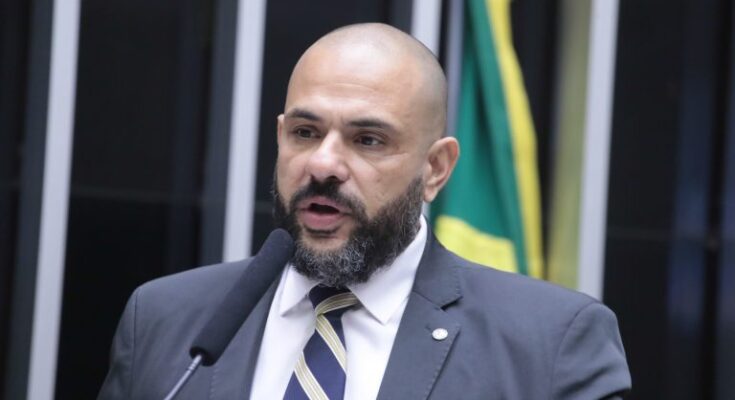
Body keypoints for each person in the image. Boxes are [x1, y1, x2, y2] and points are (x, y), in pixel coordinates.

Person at [98, 23, 631, 399]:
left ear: (436, 168)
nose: (323, 164)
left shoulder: (549, 344)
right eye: (305, 132)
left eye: (368, 140)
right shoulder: (165, 319)